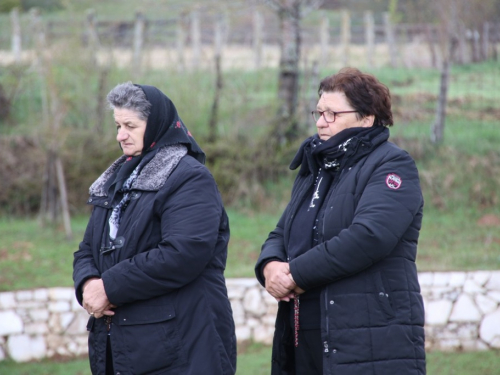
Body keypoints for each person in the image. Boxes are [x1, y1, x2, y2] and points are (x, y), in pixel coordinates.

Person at [255, 67, 426, 374]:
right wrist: (269, 266)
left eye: (333, 114)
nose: (321, 122)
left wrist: (294, 274)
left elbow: (368, 237)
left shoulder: (392, 165)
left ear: (367, 117)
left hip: (368, 337)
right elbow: (284, 230)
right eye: (319, 112)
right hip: (305, 335)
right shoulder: (316, 167)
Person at [73, 82, 236, 375]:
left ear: (157, 125)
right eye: (118, 125)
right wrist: (87, 283)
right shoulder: (115, 179)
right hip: (122, 343)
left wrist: (109, 286)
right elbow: (88, 248)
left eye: (130, 126)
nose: (120, 135)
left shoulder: (189, 178)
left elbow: (182, 253)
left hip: (180, 347)